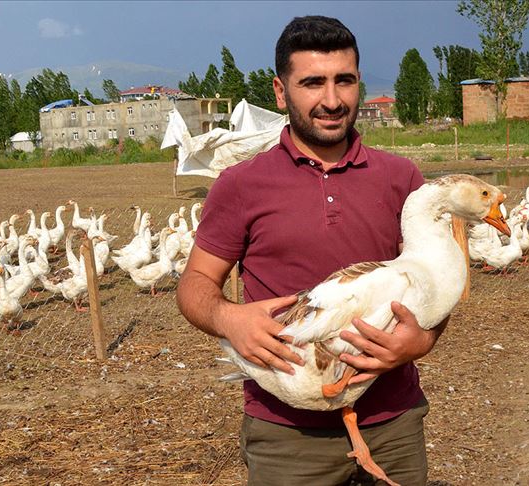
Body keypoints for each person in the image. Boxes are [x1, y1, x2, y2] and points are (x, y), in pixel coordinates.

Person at [176, 15, 447, 485]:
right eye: (312, 83)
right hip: (288, 434)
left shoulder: (402, 179)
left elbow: (434, 282)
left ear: (359, 83)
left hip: (393, 422)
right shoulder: (240, 184)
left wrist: (422, 341)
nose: (331, 100)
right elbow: (194, 285)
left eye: (344, 81)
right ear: (281, 92)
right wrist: (228, 318)